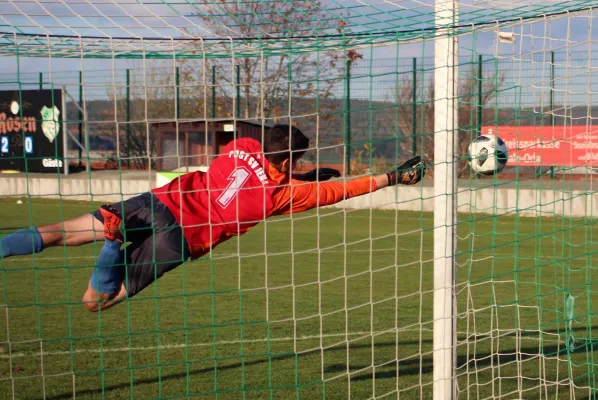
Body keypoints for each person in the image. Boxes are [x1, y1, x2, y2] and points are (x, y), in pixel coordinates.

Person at [0, 124, 425, 312]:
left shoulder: (239, 144)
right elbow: (337, 191)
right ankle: (114, 246)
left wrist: (304, 173)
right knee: (98, 302)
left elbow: (259, 166)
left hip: (157, 202)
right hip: (180, 238)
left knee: (62, 231)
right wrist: (391, 176)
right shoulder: (279, 196)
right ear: (293, 160)